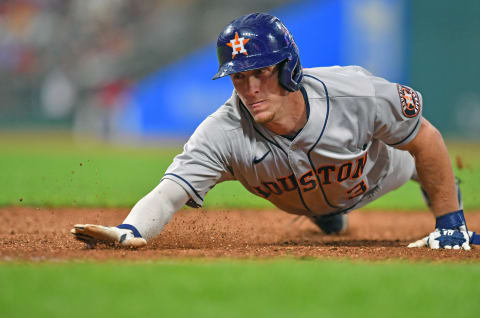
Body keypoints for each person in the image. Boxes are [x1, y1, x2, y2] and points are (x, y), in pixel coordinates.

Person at [72, 12, 479, 250]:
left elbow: (426, 137)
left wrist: (449, 225)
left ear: (289, 68)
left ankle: (445, 215)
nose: (250, 89)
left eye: (261, 72)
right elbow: (170, 192)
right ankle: (329, 217)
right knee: (320, 205)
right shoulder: (222, 132)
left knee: (419, 160)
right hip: (302, 200)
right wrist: (128, 231)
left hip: (379, 175)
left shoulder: (357, 95)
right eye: (238, 77)